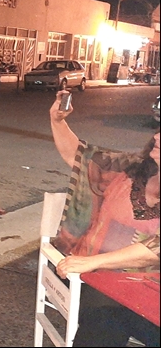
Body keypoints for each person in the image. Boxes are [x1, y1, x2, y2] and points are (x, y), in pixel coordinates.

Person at [49, 90, 160, 347]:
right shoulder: (128, 168)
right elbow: (77, 156)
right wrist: (57, 121)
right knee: (106, 315)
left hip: (149, 288)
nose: (156, 136)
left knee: (113, 316)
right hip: (93, 277)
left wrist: (92, 262)